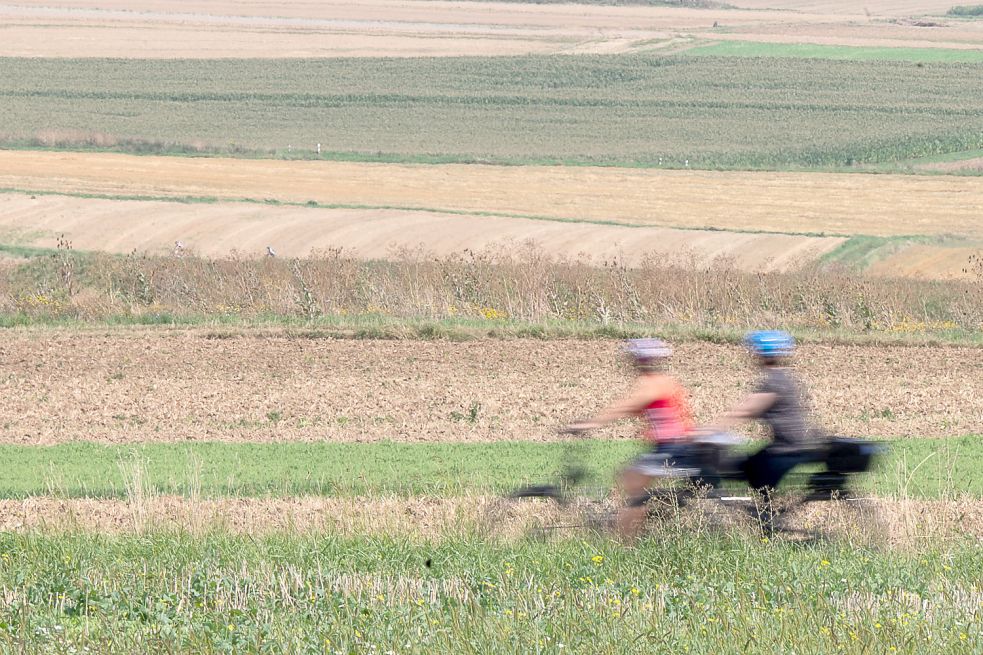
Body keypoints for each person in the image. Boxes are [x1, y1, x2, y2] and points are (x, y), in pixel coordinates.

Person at [567, 338, 697, 539]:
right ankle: (649, 519)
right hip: (673, 446)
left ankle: (625, 543)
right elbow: (637, 409)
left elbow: (626, 406)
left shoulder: (651, 383)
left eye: (634, 359)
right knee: (630, 481)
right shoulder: (663, 381)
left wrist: (590, 423)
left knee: (631, 483)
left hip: (672, 447)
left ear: (641, 360)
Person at [710, 330, 815, 529]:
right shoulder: (784, 377)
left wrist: (709, 430)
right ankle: (766, 518)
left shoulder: (773, 380)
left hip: (786, 449)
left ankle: (767, 523)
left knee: (746, 469)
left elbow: (748, 410)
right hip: (793, 446)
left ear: (761, 353)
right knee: (754, 471)